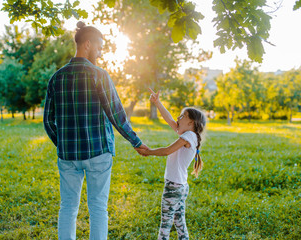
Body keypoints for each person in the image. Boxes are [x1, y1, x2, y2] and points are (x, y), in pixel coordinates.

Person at [43, 21, 148, 240]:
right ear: (88, 44)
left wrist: (63, 143)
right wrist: (136, 142)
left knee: (68, 207)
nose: (100, 53)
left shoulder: (56, 78)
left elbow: (48, 121)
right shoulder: (99, 75)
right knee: (98, 208)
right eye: (99, 48)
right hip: (99, 152)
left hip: (68, 156)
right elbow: (116, 115)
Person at [138, 88, 207, 240]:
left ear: (191, 122)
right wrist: (157, 102)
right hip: (181, 186)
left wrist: (147, 152)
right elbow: (169, 118)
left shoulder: (188, 136)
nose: (178, 117)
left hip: (173, 187)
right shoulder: (189, 134)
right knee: (179, 221)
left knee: (165, 224)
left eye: (182, 116)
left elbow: (167, 151)